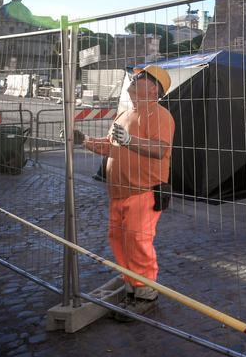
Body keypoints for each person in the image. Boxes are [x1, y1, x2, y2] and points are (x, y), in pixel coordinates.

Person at [75, 64, 176, 318]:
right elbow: (111, 146)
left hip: (144, 191)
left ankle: (145, 295)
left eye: (141, 77)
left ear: (154, 89)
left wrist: (130, 140)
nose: (134, 78)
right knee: (119, 239)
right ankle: (132, 286)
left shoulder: (159, 114)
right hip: (119, 193)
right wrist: (84, 141)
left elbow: (160, 149)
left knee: (138, 242)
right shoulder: (124, 114)